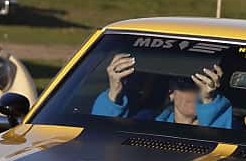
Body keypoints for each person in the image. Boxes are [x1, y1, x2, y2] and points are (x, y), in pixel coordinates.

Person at [93, 53, 232, 127]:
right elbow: (99, 135)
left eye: (202, 82)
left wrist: (209, 100)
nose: (196, 90)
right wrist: (114, 93)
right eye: (186, 82)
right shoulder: (147, 123)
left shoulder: (230, 126)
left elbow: (220, 144)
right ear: (171, 92)